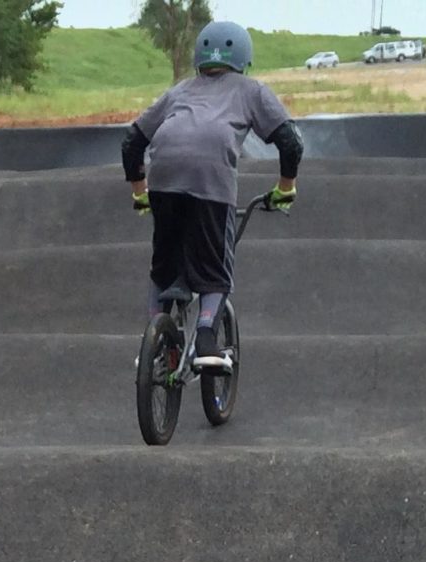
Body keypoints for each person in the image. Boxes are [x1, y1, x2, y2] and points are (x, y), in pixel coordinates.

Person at [122, 21, 302, 370]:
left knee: (163, 266)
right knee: (215, 269)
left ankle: (154, 341)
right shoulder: (251, 90)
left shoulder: (179, 91)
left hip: (163, 179)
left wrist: (140, 192)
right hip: (210, 182)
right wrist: (285, 188)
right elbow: (291, 142)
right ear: (244, 58)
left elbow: (132, 141)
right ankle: (206, 338)